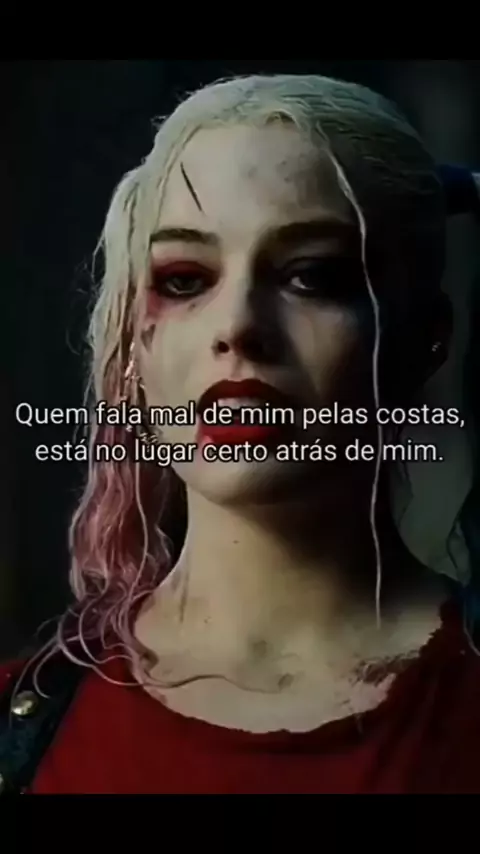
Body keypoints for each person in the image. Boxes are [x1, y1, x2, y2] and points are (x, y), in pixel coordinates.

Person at [2, 73, 480, 795]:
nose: (238, 327)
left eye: (311, 275)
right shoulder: (23, 731)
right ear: (134, 344)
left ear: (426, 338)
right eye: (186, 279)